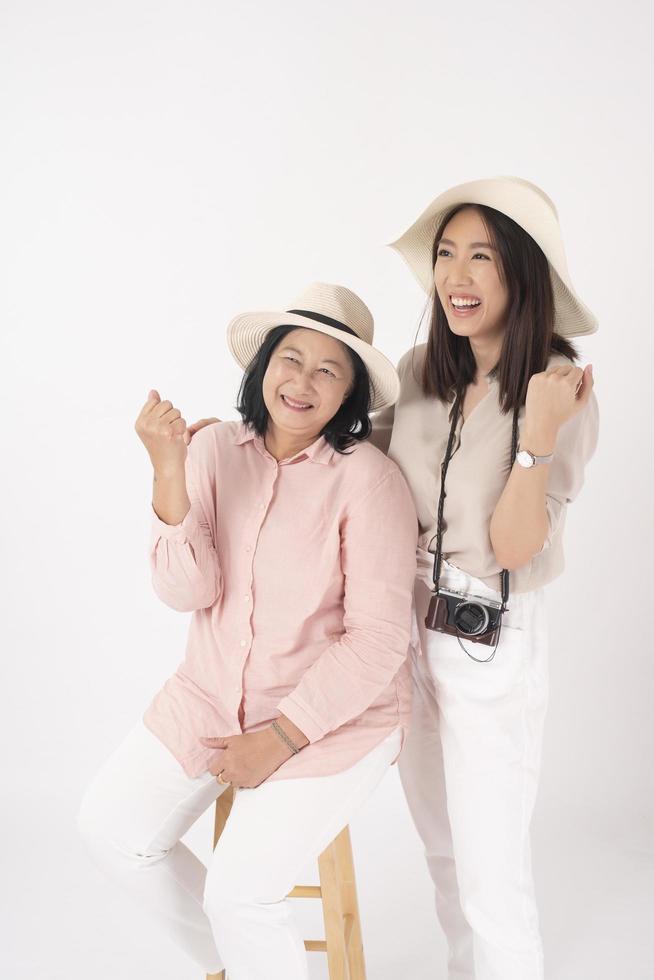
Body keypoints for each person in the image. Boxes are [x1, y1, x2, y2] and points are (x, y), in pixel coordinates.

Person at [76, 282, 418, 980]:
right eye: (290, 359)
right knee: (110, 830)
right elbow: (186, 590)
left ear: (350, 394)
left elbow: (379, 640)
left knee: (240, 895)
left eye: (330, 370)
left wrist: (281, 737)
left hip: (331, 720)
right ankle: (242, 964)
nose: (302, 382)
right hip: (208, 693)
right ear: (263, 367)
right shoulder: (211, 451)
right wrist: (168, 469)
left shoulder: (370, 482)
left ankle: (247, 946)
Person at [368, 176, 599, 980]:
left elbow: (510, 545)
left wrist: (534, 437)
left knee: (491, 871)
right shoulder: (418, 372)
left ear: (523, 274)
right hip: (406, 633)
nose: (457, 277)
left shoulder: (559, 387)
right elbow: (358, 473)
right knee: (442, 854)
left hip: (490, 644)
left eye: (482, 258)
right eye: (445, 255)